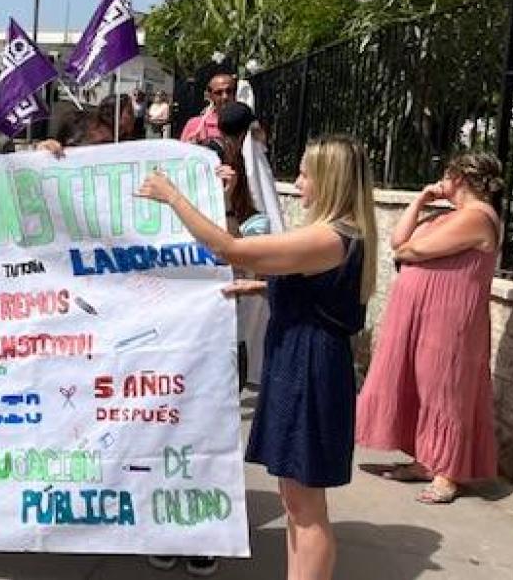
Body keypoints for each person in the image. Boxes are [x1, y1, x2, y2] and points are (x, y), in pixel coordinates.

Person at [137, 134, 378, 580]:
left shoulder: (329, 237)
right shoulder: (337, 234)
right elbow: (313, 289)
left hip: (309, 367)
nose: (298, 181)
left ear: (328, 179)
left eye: (306, 173)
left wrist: (174, 197)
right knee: (295, 500)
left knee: (306, 507)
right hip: (303, 360)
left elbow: (231, 250)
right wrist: (261, 286)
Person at [356, 152, 503, 504]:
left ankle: (448, 472)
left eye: (447, 175)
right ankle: (426, 460)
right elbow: (399, 241)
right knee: (422, 383)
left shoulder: (479, 216)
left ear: (460, 178)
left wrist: (408, 252)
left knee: (446, 388)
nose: (442, 181)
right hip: (423, 313)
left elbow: (415, 250)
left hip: (449, 317)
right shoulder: (449, 215)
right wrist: (420, 199)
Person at [180, 70, 237, 143]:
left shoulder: (246, 125)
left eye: (229, 91)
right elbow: (181, 153)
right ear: (211, 96)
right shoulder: (195, 126)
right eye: (218, 93)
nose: (225, 97)